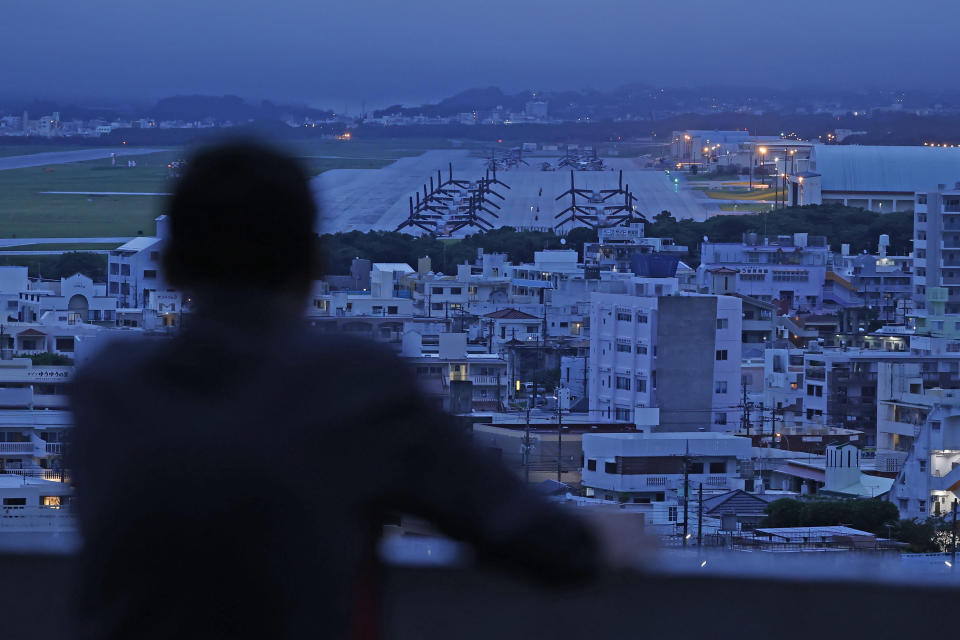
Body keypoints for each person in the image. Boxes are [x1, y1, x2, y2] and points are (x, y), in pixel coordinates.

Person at [68, 142, 599, 640]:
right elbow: (536, 539)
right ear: (311, 264)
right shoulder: (351, 381)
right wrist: (602, 539)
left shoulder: (105, 387)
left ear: (173, 266)